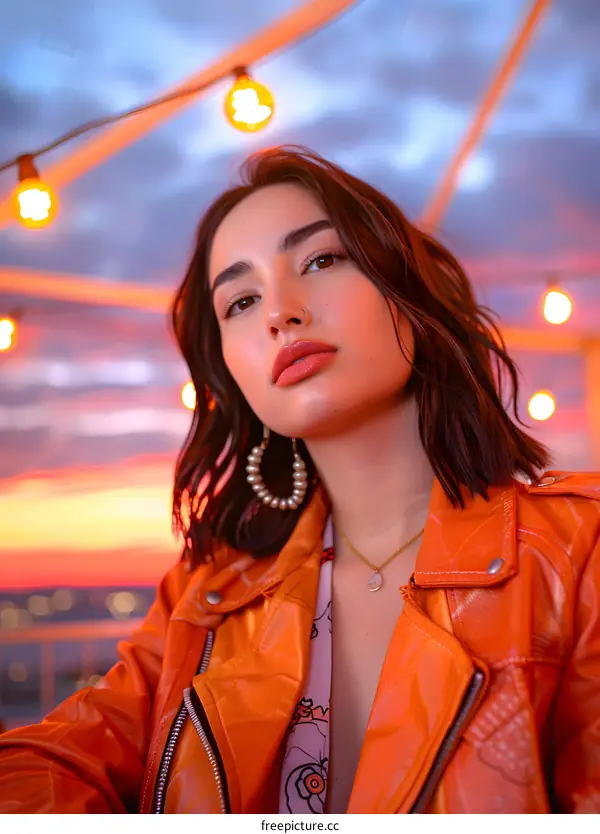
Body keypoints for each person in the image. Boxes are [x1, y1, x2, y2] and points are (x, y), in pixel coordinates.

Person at [0, 146, 599, 815]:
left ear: (405, 289)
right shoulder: (207, 597)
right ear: (230, 372)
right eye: (242, 299)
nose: (278, 313)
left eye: (320, 260)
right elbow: (52, 758)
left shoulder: (578, 552)